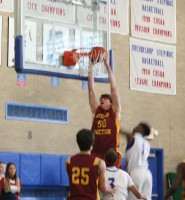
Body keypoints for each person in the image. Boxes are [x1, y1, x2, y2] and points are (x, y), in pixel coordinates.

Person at [88, 50, 122, 168]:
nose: (101, 99)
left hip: (111, 153)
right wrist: (91, 66)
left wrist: (107, 65)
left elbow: (113, 88)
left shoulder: (115, 111)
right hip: (96, 152)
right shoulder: (96, 110)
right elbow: (91, 89)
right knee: (95, 184)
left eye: (104, 98)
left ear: (111, 102)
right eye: (100, 98)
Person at [66, 128, 114, 200]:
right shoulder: (99, 163)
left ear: (77, 142)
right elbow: (102, 188)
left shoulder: (69, 161)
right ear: (92, 143)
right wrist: (108, 189)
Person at [120, 122, 152, 200]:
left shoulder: (132, 137)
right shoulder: (147, 143)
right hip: (147, 174)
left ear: (141, 130)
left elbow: (124, 132)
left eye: (137, 126)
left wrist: (113, 125)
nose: (134, 127)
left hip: (136, 173)